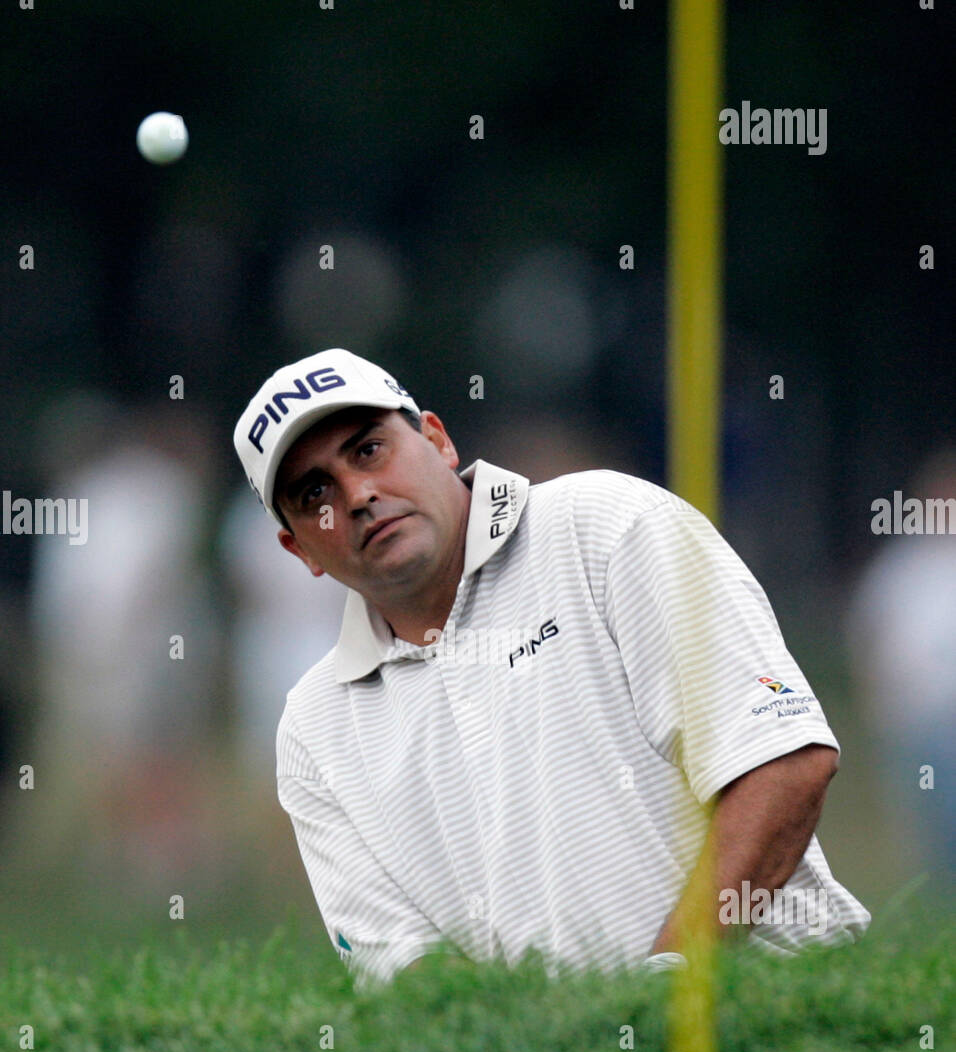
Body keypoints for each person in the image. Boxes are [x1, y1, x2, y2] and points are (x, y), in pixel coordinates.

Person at [234, 348, 870, 987]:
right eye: (314, 491)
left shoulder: (606, 526)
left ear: (438, 439)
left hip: (785, 1020)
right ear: (298, 549)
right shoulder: (313, 727)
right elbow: (405, 968)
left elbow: (784, 765)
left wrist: (671, 986)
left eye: (369, 450)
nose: (360, 494)